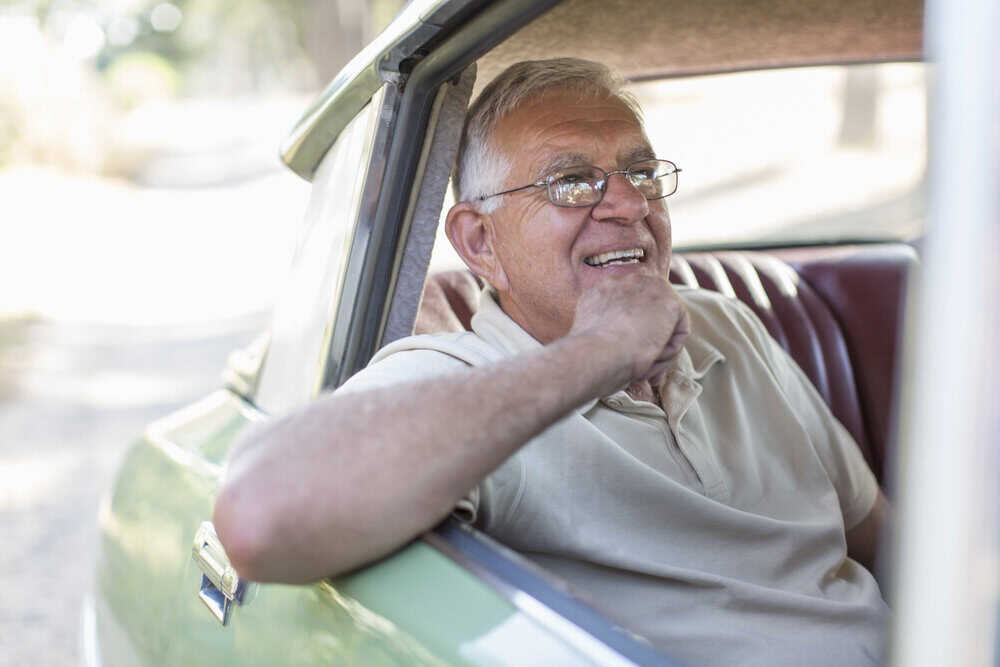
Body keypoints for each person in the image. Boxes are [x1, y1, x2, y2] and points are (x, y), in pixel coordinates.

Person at [213, 58, 890, 665]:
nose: (629, 204)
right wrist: (598, 351)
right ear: (480, 242)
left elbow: (876, 535)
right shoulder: (464, 381)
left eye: (641, 172)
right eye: (571, 182)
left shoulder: (727, 324)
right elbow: (256, 515)